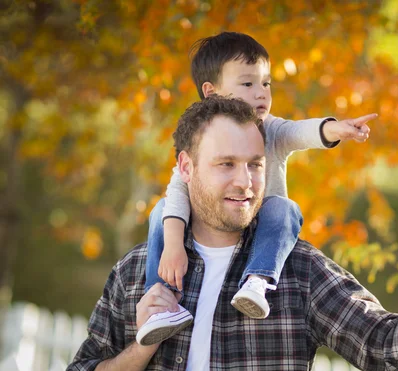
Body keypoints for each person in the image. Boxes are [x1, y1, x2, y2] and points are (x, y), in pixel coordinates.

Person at [65, 96, 398, 371]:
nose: (245, 181)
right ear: (186, 168)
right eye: (226, 164)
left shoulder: (299, 270)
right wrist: (144, 342)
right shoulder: (137, 270)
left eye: (255, 164)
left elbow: (395, 356)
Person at [137, 31, 378, 346]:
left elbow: (301, 131)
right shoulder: (201, 137)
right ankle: (162, 298)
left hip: (261, 228)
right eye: (248, 84)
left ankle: (257, 281)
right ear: (211, 92)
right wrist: (173, 246)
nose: (262, 93)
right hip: (214, 222)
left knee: (284, 208)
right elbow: (178, 192)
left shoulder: (272, 129)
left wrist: (335, 128)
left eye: (266, 83)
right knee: (162, 210)